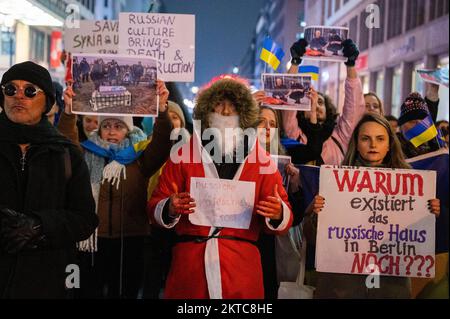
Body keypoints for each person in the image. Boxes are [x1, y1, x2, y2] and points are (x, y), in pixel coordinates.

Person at [148, 77, 293, 299]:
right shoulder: (183, 156)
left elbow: (284, 216)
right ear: (207, 112)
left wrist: (278, 213)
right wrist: (169, 207)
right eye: (219, 104)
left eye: (232, 106)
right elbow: (155, 206)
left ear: (243, 114)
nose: (225, 111)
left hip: (241, 271)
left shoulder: (262, 162)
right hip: (191, 270)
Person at [304, 113, 440, 298]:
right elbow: (312, 239)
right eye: (366, 138)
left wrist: (429, 213)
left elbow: (421, 241)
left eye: (380, 139)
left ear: (389, 144)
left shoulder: (413, 186)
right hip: (341, 289)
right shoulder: (334, 182)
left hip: (391, 288)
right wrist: (314, 213)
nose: (373, 145)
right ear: (356, 143)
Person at [60, 80, 173, 299]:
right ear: (99, 129)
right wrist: (68, 111)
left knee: (125, 293)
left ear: (128, 130)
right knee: (88, 293)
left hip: (130, 239)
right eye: (106, 126)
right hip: (91, 241)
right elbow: (66, 142)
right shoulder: (85, 153)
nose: (112, 131)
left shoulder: (140, 157)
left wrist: (161, 110)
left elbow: (162, 142)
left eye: (119, 126)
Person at [0, 61, 98, 298]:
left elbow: (85, 219)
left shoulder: (65, 152)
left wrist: (40, 225)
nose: (18, 96)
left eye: (30, 91)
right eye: (10, 89)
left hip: (45, 279)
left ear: (47, 102)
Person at [283, 38, 365, 165]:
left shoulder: (340, 135)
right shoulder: (295, 135)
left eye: (320, 102)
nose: (315, 106)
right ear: (300, 110)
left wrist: (351, 64)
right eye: (310, 102)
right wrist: (294, 62)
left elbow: (353, 105)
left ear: (328, 109)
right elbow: (288, 98)